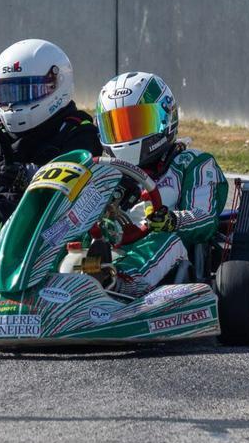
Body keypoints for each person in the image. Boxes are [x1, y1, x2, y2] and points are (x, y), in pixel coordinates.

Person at [0, 39, 102, 242]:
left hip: (49, 221)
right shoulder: (1, 132)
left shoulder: (78, 130)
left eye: (26, 92)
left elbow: (79, 177)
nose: (15, 103)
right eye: (9, 92)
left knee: (1, 205)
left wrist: (26, 176)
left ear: (57, 85)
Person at [94, 71, 227, 297]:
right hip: (109, 244)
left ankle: (120, 284)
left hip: (165, 244)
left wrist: (172, 221)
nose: (127, 136)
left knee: (163, 240)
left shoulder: (193, 163)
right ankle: (52, 283)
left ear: (166, 118)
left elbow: (205, 218)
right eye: (117, 126)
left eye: (137, 123)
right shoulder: (102, 171)